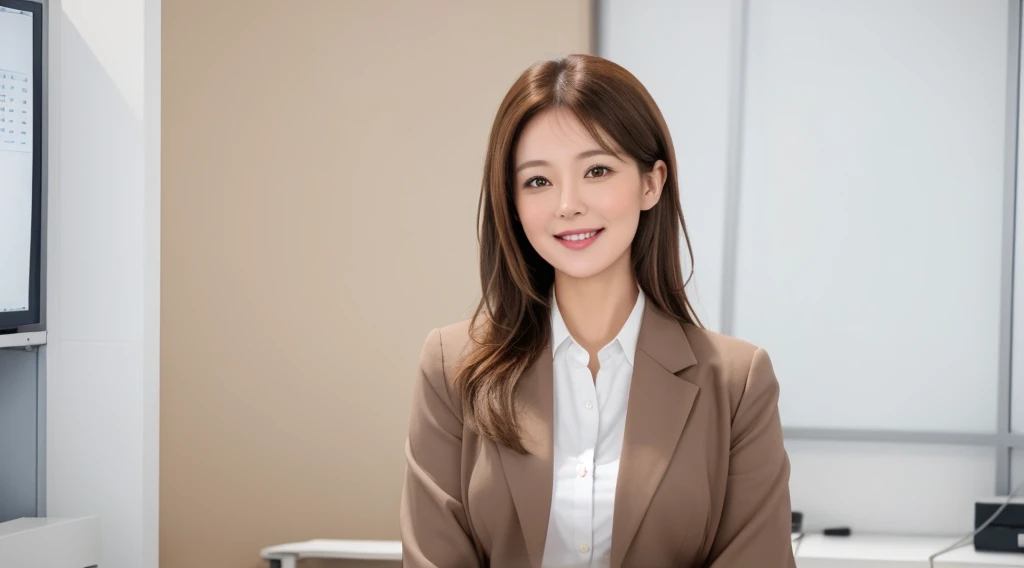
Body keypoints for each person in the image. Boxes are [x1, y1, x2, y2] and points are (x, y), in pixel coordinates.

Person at [400, 53, 794, 568]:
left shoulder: (737, 383)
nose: (568, 204)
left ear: (651, 183)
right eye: (538, 181)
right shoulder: (452, 367)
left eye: (597, 170)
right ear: (512, 202)